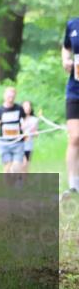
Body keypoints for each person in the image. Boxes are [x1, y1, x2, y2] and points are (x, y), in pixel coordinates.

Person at [0, 87, 25, 174]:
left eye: (13, 96)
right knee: (7, 165)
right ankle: (8, 185)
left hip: (18, 141)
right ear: (4, 96)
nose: (11, 98)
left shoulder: (19, 108)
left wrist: (26, 129)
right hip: (4, 142)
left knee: (16, 166)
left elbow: (25, 120)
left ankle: (16, 184)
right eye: (9, 96)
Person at [62, 17, 79, 200]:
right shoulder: (73, 24)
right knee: (75, 137)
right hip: (75, 90)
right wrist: (65, 60)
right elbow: (66, 47)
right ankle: (73, 187)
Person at [20, 100, 38, 172]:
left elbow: (34, 131)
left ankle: (24, 181)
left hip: (29, 145)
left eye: (29, 106)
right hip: (19, 144)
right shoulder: (18, 119)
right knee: (22, 163)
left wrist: (35, 133)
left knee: (26, 164)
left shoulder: (34, 119)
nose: (27, 108)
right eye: (25, 106)